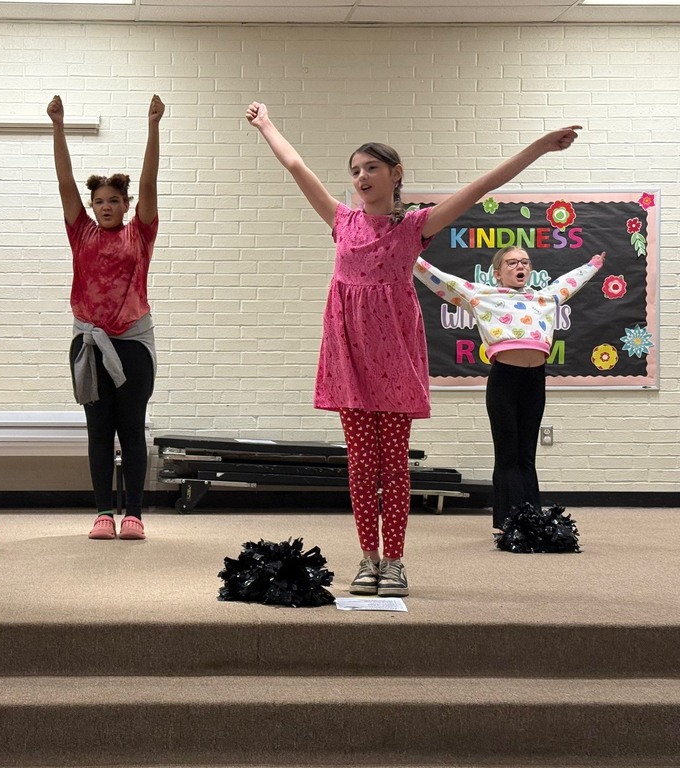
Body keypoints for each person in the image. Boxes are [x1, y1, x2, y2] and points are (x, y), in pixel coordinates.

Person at [246, 100, 581, 597]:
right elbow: (296, 166)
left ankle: (395, 562)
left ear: (395, 174)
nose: (361, 177)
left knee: (394, 466)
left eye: (371, 168)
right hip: (350, 357)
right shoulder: (341, 221)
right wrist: (266, 124)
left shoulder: (414, 227)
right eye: (355, 170)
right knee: (361, 465)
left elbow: (483, 185)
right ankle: (367, 558)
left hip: (395, 358)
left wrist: (539, 146)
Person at [415, 246, 604, 534]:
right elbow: (441, 279)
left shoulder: (544, 297)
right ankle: (506, 522)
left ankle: (532, 520)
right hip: (504, 379)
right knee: (507, 453)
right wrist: (409, 253)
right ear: (498, 272)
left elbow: (570, 281)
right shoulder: (482, 296)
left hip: (535, 381)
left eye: (525, 262)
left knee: (526, 454)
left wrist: (594, 263)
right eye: (513, 262)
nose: (521, 267)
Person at [48, 93, 163, 541]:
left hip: (133, 342)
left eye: (115, 200)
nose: (107, 206)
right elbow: (64, 185)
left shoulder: (140, 232)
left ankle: (133, 512)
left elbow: (150, 186)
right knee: (99, 430)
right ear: (93, 206)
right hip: (89, 344)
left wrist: (152, 126)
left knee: (131, 428)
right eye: (100, 201)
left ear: (125, 203)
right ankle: (102, 512)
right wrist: (58, 125)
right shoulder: (81, 232)